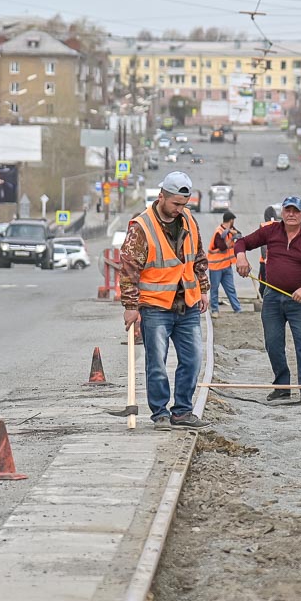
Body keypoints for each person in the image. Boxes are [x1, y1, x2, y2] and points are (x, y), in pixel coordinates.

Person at [119, 171, 211, 430]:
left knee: (193, 359)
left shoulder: (189, 220)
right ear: (161, 197)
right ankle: (159, 412)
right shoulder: (142, 227)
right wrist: (130, 306)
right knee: (157, 362)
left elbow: (199, 257)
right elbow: (128, 270)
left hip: (188, 304)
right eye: (176, 204)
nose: (180, 209)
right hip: (156, 307)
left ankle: (182, 411)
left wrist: (203, 288)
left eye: (184, 204)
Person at [233, 196, 301, 402]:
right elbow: (242, 242)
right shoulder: (271, 231)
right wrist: (241, 256)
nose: (291, 214)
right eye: (287, 210)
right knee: (273, 342)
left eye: (295, 211)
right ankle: (282, 385)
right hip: (272, 298)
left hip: (300, 301)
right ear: (282, 213)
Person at [207, 211, 243, 317]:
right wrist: (231, 237)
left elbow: (240, 235)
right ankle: (214, 310)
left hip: (226, 265)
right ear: (231, 220)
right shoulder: (219, 232)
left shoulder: (230, 230)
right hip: (216, 266)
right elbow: (222, 247)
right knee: (214, 288)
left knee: (230, 288)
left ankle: (237, 309)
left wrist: (233, 233)